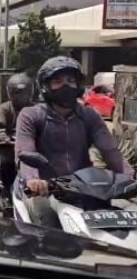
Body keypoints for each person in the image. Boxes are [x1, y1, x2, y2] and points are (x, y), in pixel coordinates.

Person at [15, 56, 134, 228]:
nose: (65, 86)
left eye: (71, 81)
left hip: (84, 189)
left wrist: (130, 178)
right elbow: (25, 151)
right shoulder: (31, 115)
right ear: (45, 86)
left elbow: (111, 152)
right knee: (46, 227)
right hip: (44, 190)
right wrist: (34, 180)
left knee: (126, 216)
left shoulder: (89, 116)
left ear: (78, 86)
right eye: (57, 81)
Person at [0, 73, 35, 139]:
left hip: (31, 140)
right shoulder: (5, 108)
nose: (21, 96)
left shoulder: (35, 109)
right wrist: (2, 134)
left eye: (24, 93)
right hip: (10, 142)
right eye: (17, 93)